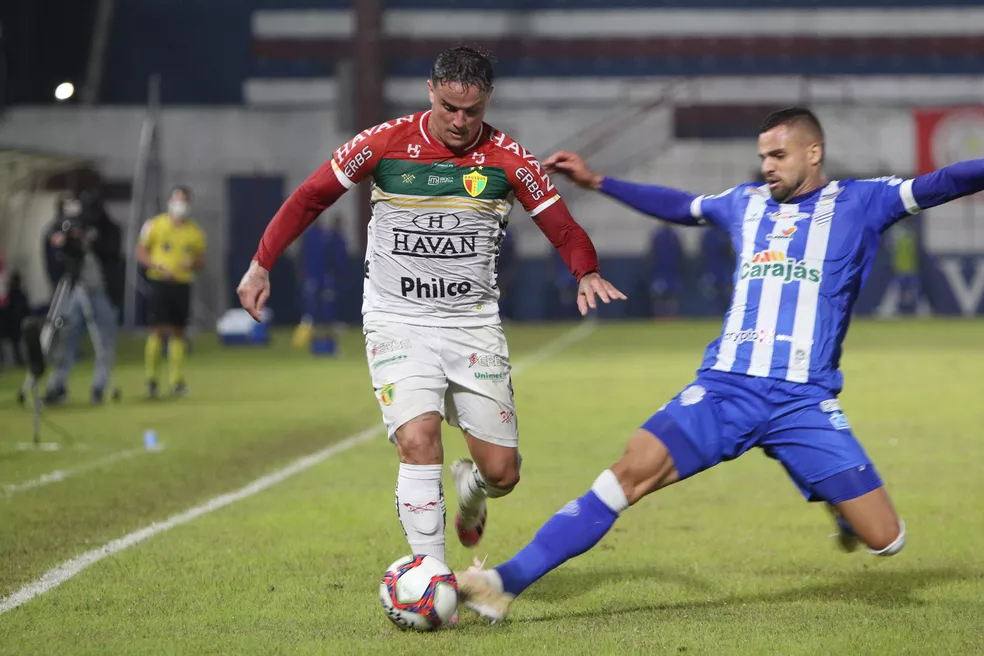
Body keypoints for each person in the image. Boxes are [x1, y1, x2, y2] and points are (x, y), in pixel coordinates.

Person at [453, 106, 984, 622]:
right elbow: (679, 206)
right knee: (624, 476)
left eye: (779, 154)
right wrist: (598, 182)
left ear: (814, 152)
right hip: (725, 389)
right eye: (763, 156)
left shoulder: (863, 200)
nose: (767, 165)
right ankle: (502, 583)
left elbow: (945, 182)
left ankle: (840, 504)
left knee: (886, 540)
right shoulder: (744, 203)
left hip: (803, 399)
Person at [236, 46, 625, 572]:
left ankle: (473, 490)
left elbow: (562, 226)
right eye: (449, 107)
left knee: (504, 474)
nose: (461, 121)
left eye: (473, 111)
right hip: (397, 320)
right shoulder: (384, 142)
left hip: (473, 326)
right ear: (430, 92)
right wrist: (261, 264)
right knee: (417, 441)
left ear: (488, 101)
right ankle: (433, 577)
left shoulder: (509, 159)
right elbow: (310, 196)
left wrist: (587, 270)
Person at [42, 193, 122, 404]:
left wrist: (90, 240)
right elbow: (53, 233)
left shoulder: (108, 230)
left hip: (101, 292)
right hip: (76, 289)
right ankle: (56, 385)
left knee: (104, 341)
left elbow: (111, 251)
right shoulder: (73, 227)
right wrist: (66, 236)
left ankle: (99, 386)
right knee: (66, 338)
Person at [137, 185, 207, 397]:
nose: (180, 206)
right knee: (158, 329)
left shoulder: (195, 232)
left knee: (178, 330)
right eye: (177, 200)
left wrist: (192, 263)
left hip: (182, 283)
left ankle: (176, 381)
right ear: (169, 202)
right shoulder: (155, 225)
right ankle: (151, 380)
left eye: (184, 201)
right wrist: (155, 265)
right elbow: (141, 252)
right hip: (160, 282)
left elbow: (202, 260)